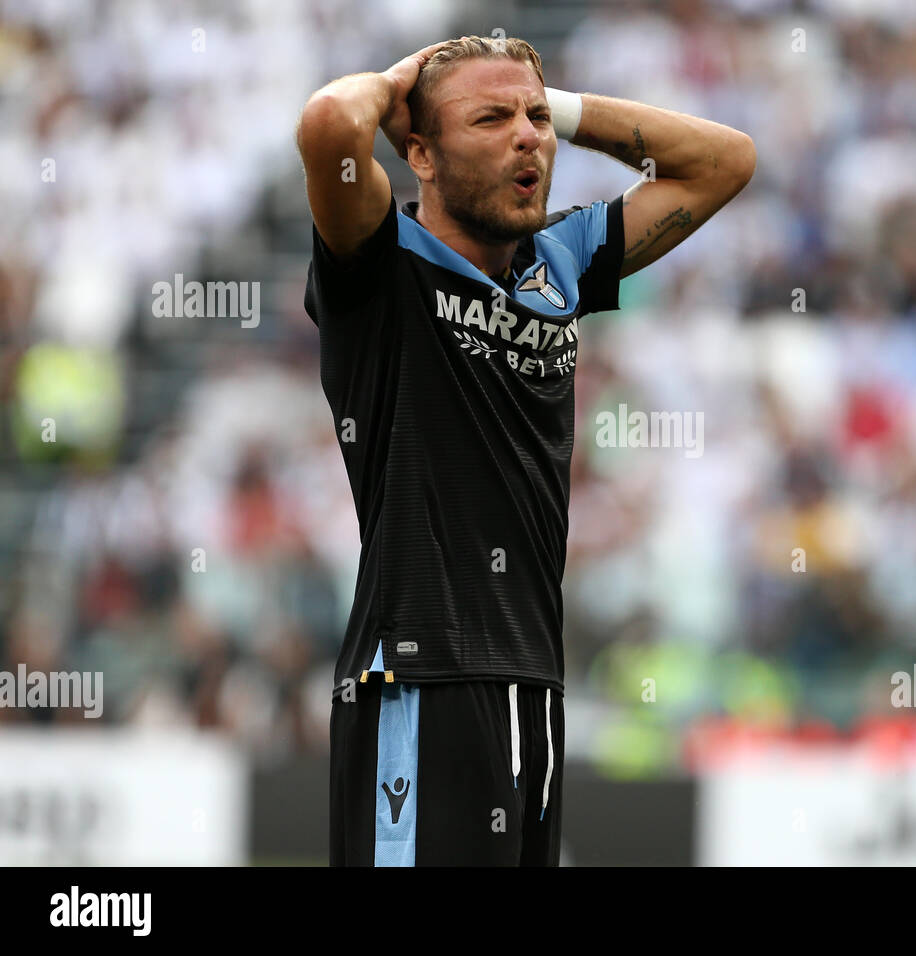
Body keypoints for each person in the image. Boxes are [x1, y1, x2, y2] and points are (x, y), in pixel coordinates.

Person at [296, 35, 754, 865]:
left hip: (533, 680)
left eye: (536, 118)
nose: (528, 137)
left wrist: (565, 110)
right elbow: (330, 121)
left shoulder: (562, 264)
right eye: (492, 118)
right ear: (421, 155)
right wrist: (399, 84)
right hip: (420, 675)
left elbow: (726, 160)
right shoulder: (378, 264)